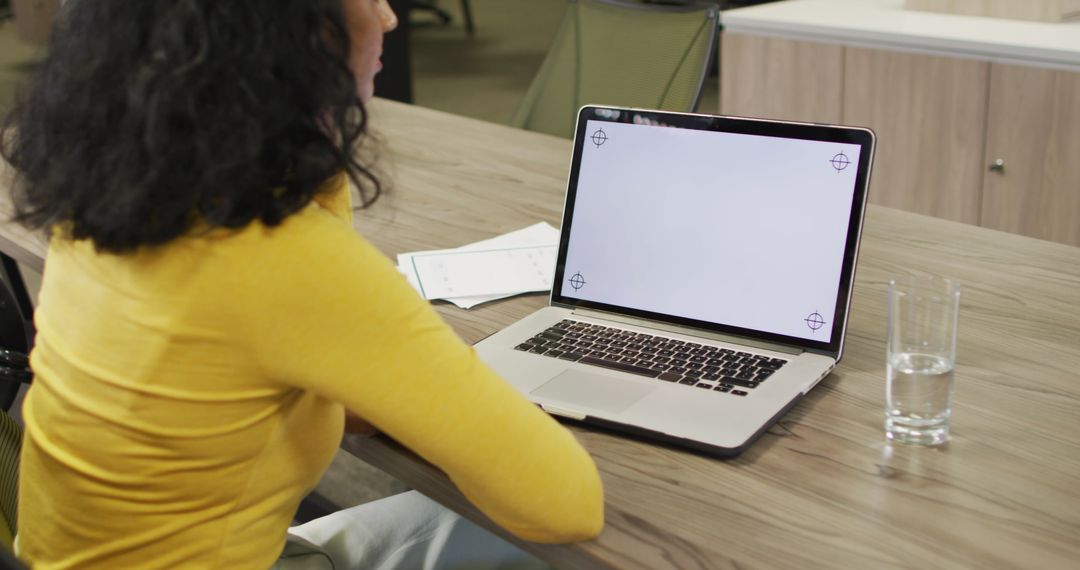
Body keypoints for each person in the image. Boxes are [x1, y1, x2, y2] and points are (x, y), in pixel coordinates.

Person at [0, 0, 604, 568]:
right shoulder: (281, 261)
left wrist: (315, 133)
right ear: (291, 31)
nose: (390, 17)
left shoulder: (113, 198)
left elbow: (334, 389)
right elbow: (567, 504)